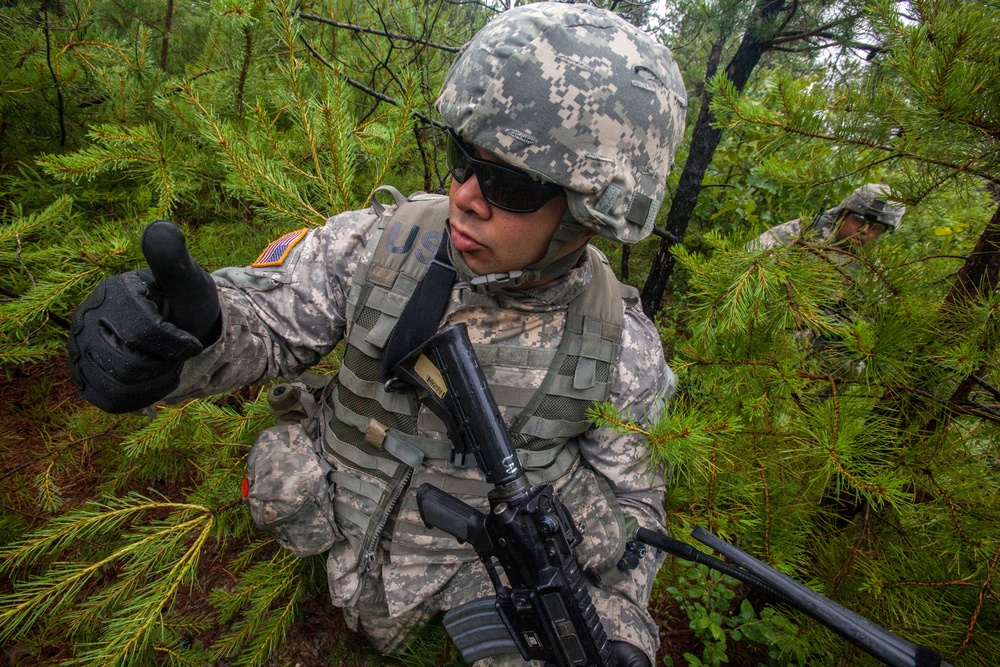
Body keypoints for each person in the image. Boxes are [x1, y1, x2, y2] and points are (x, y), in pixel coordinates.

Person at [66, 4, 687, 665]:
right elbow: (273, 324)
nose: (466, 195)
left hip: (458, 619)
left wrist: (620, 633)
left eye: (510, 183)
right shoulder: (381, 245)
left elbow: (632, 508)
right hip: (320, 561)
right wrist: (189, 332)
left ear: (592, 210)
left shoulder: (618, 346)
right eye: (462, 159)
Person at [753, 183, 906, 250]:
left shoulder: (873, 270)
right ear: (843, 214)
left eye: (875, 227)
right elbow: (750, 258)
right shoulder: (803, 231)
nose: (864, 230)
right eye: (858, 220)